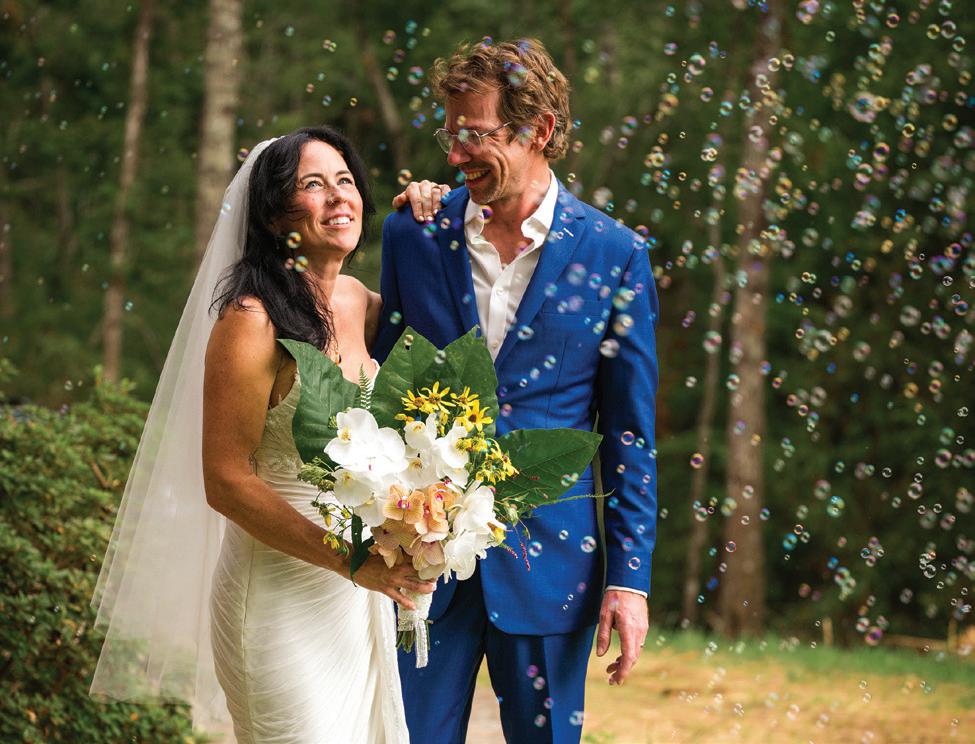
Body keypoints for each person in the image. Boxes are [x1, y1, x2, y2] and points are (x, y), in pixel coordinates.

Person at [90, 127, 440, 743]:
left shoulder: (359, 302)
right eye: (313, 184)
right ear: (276, 216)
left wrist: (432, 209)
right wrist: (350, 561)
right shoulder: (251, 320)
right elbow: (225, 482)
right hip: (278, 596)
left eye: (346, 181)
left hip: (354, 601)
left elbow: (445, 317)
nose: (339, 197)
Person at [374, 38, 659, 743]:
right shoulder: (413, 234)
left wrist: (628, 579)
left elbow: (629, 432)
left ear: (539, 130)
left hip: (550, 563)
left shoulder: (615, 254)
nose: (455, 155)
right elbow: (381, 388)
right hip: (419, 562)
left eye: (475, 134)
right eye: (450, 134)